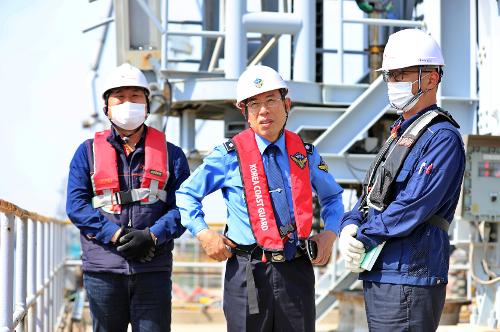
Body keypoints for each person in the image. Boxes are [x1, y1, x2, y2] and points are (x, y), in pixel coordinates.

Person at [176, 65, 344, 332]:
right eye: (254, 104)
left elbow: (333, 197)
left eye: (271, 100)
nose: (263, 110)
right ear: (244, 112)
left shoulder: (306, 154)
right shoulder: (227, 156)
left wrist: (330, 233)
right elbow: (186, 195)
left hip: (296, 271)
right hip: (247, 273)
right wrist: (204, 234)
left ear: (286, 104)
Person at [338, 29, 466, 331]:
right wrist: (350, 224)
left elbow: (413, 205)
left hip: (410, 275)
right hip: (383, 272)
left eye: (401, 75)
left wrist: (363, 236)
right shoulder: (400, 133)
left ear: (431, 78)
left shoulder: (442, 137)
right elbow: (372, 193)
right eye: (390, 76)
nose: (393, 83)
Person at [66, 63, 190, 331]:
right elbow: (76, 206)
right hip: (103, 272)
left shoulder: (173, 155)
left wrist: (152, 236)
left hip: (153, 270)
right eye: (119, 97)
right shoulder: (87, 153)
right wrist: (115, 234)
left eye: (135, 96)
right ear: (106, 107)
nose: (128, 103)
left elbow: (185, 208)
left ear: (147, 104)